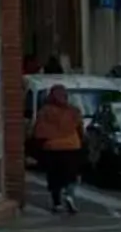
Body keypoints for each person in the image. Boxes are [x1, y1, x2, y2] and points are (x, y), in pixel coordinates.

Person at [28, 83, 87, 215]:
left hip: (52, 148)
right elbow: (80, 129)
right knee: (71, 175)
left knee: (54, 176)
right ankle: (69, 195)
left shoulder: (45, 111)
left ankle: (57, 203)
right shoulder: (73, 111)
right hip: (72, 146)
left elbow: (38, 131)